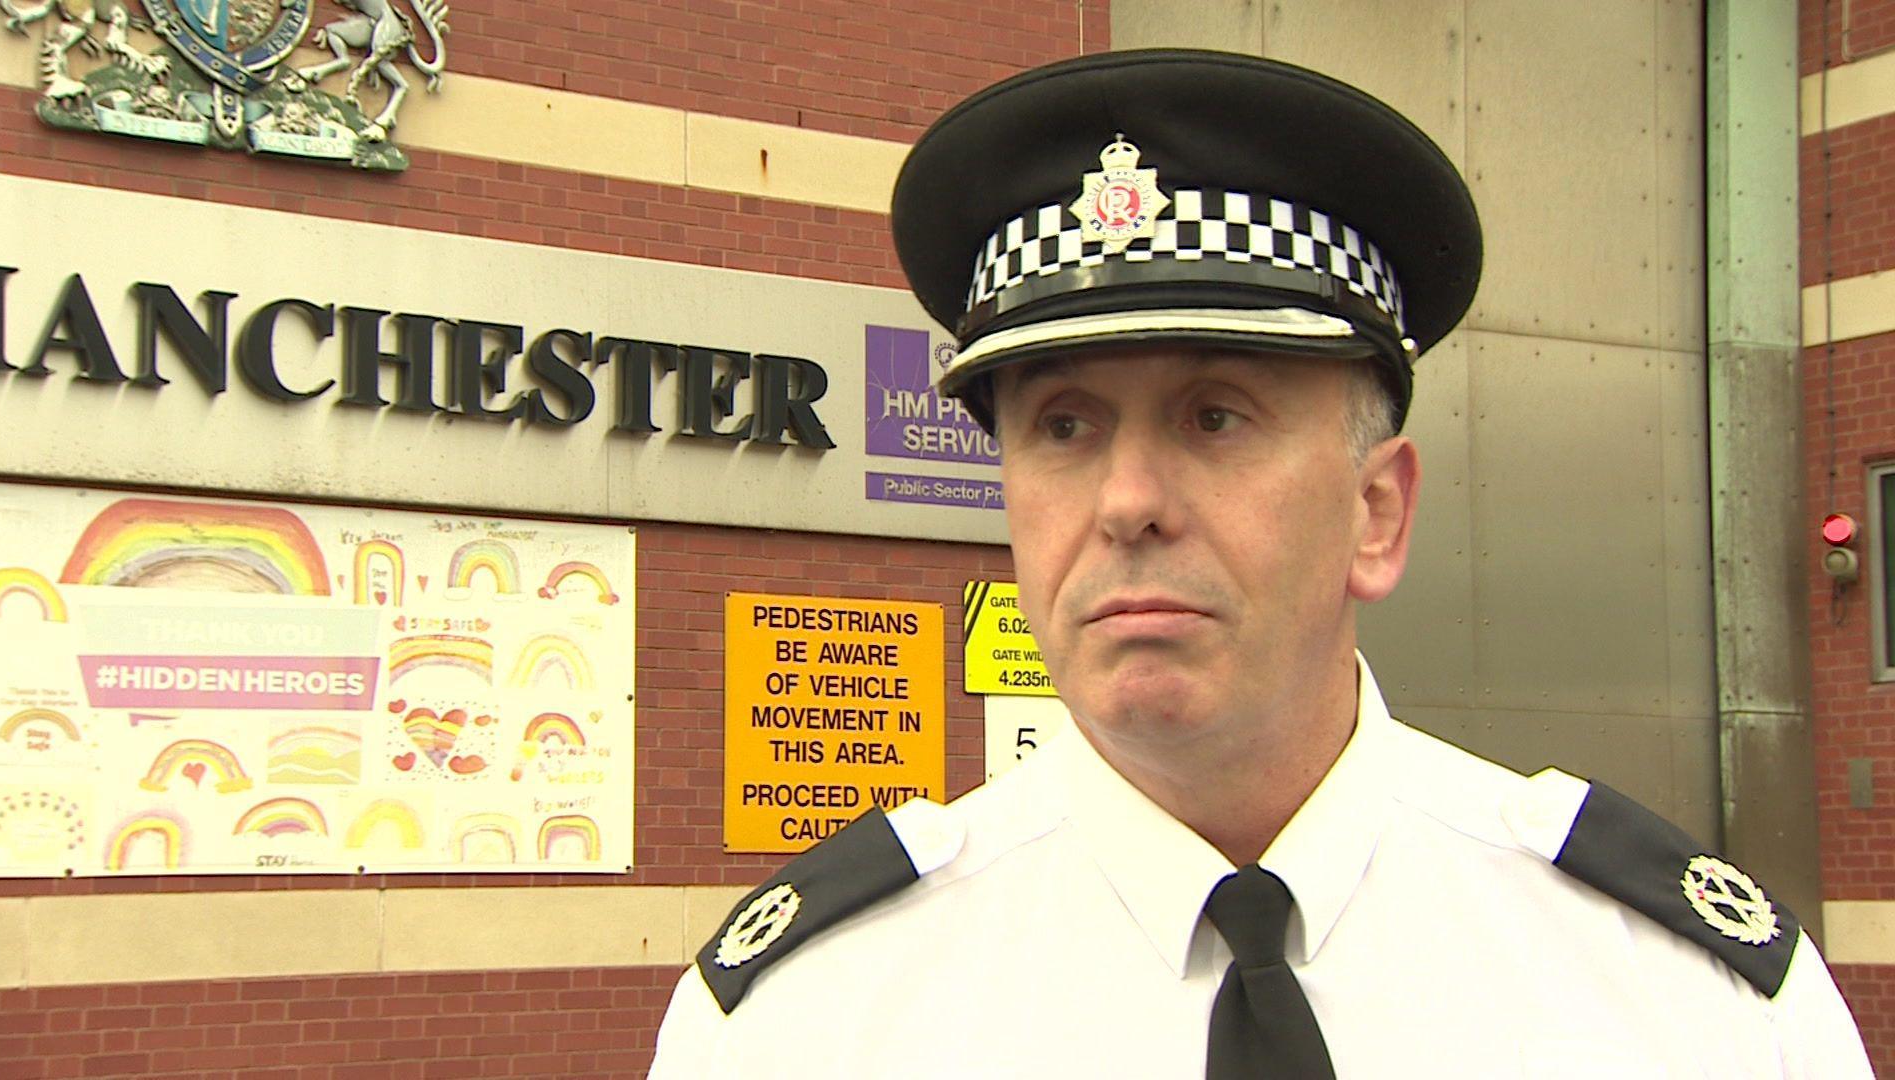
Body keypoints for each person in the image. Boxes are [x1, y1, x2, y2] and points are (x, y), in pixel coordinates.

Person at [648, 49, 1873, 1077]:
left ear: (1378, 513)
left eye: (1214, 416)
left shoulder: (1681, 1004)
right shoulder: (801, 1023)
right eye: (1064, 425)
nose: (1127, 502)